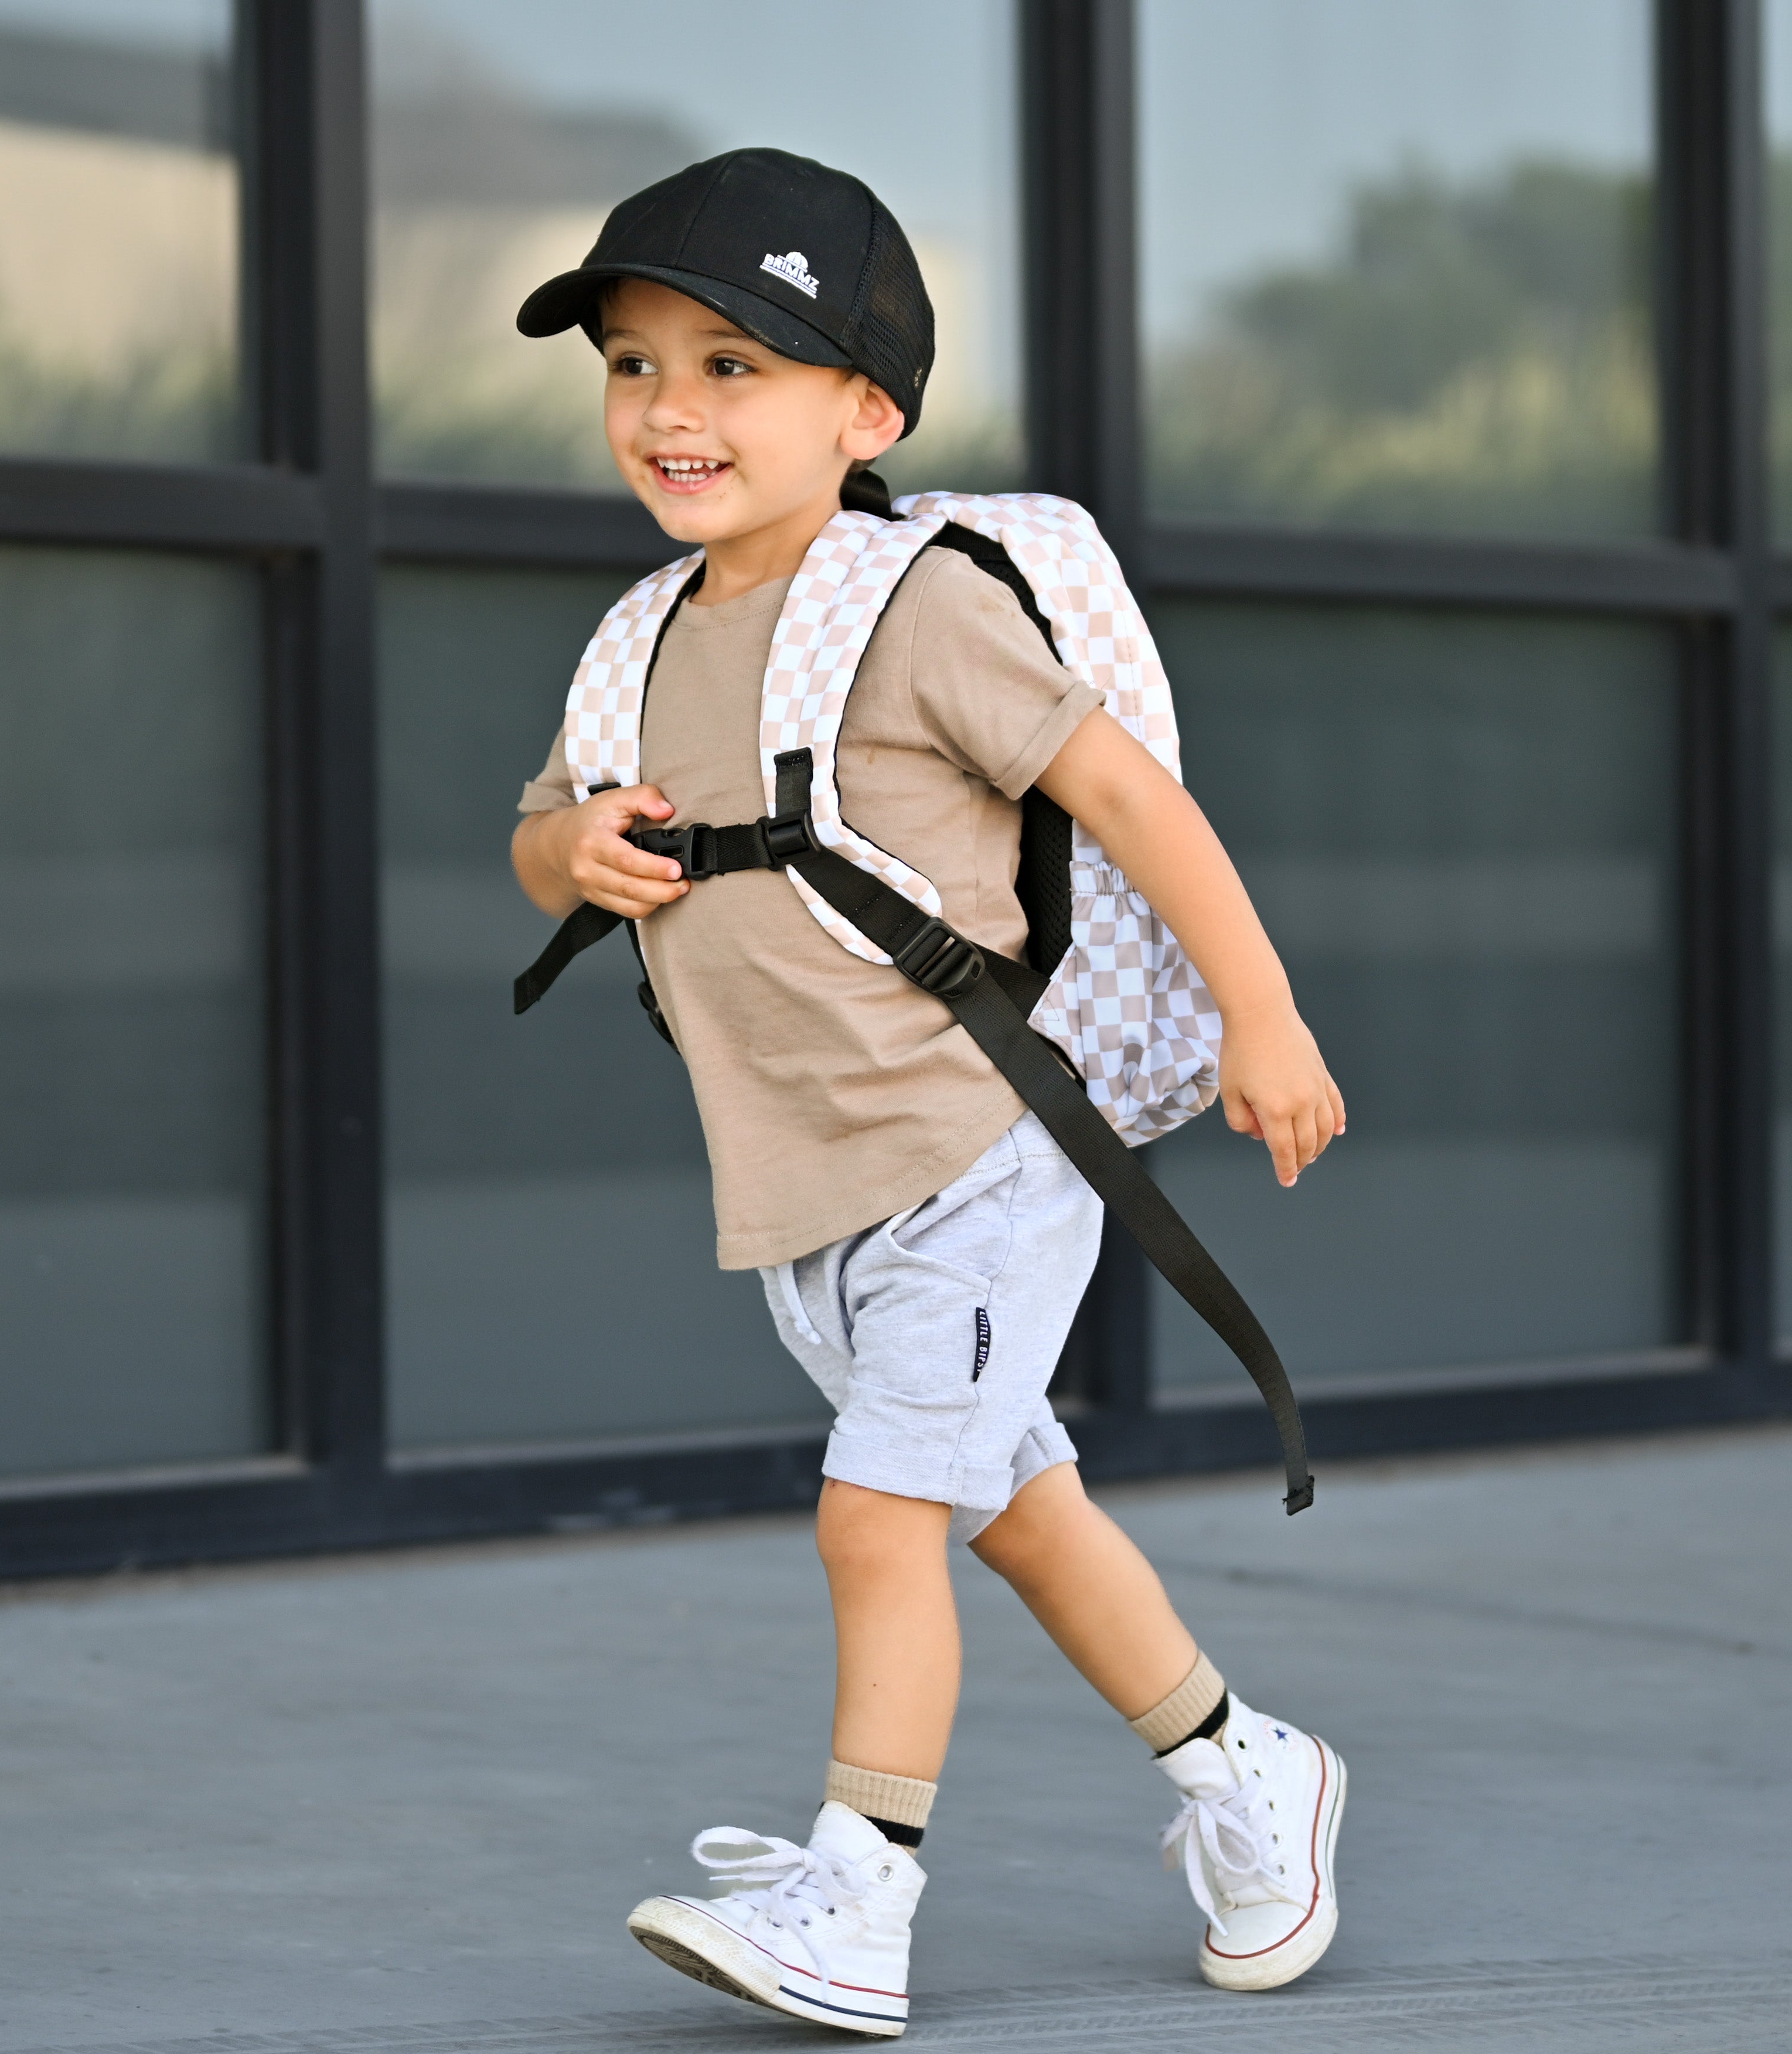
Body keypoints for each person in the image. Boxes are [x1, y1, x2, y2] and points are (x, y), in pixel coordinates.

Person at [508, 148, 1349, 2040]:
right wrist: (582, 860)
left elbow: (1131, 798)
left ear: (863, 412)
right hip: (811, 1182)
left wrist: (1261, 1017)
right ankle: (1246, 1772)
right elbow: (535, 835)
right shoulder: (635, 637)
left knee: (872, 1516)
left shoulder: (917, 607)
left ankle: (858, 1894)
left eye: (734, 366)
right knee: (1017, 1509)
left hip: (981, 1145)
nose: (670, 410)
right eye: (634, 365)